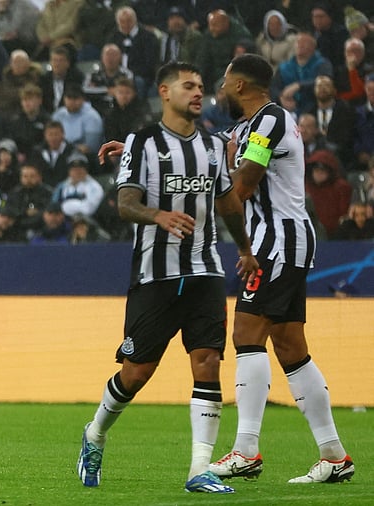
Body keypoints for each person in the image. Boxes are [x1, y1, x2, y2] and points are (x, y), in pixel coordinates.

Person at [78, 61, 258, 494]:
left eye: (201, 85)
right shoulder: (141, 142)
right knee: (136, 372)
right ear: (164, 91)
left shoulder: (213, 146)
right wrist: (156, 214)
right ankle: (95, 433)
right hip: (155, 275)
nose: (198, 92)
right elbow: (124, 203)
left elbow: (229, 202)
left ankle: (200, 469)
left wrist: (247, 249)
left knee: (208, 362)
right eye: (188, 86)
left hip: (205, 269)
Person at [210, 53, 354, 484]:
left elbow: (244, 184)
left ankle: (246, 450)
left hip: (277, 241)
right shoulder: (244, 127)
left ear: (240, 86)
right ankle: (334, 456)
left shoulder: (269, 120)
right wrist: (142, 150)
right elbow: (195, 150)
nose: (218, 91)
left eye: (223, 83)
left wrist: (228, 168)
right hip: (278, 241)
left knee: (246, 334)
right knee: (291, 347)